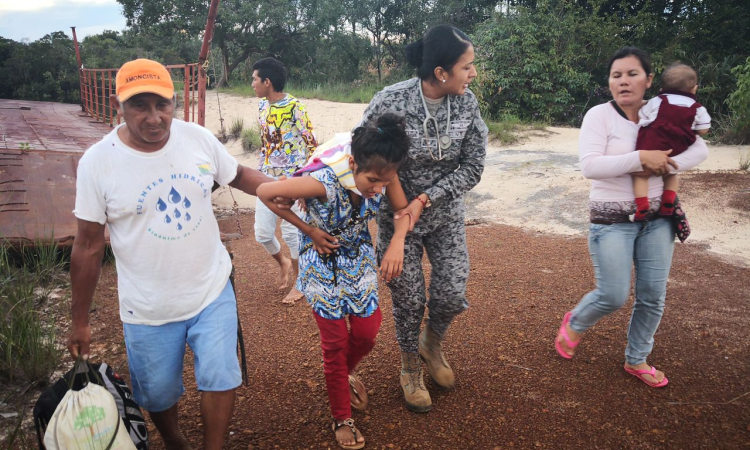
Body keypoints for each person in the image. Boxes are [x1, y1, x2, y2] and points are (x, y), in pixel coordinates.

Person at [68, 58, 276, 450]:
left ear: (174, 102)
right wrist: (80, 320)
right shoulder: (98, 163)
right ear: (119, 105)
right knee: (158, 395)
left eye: (162, 105)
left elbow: (240, 176)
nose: (153, 118)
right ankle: (175, 440)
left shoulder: (196, 138)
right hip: (147, 307)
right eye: (139, 106)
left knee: (221, 376)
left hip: (210, 290)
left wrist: (286, 189)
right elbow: (88, 245)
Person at [554, 47, 709, 388]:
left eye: (632, 74)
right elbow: (590, 166)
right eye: (616, 75)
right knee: (612, 295)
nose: (624, 81)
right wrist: (642, 157)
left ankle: (637, 358)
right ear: (609, 82)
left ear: (649, 80)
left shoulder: (664, 112)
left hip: (658, 219)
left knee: (653, 295)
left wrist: (665, 163)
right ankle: (576, 321)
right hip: (611, 222)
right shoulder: (599, 116)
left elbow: (700, 148)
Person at [256, 114, 412, 449]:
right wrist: (308, 230)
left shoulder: (384, 172)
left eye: (384, 183)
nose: (378, 189)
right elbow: (264, 191)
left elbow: (403, 212)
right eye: (372, 180)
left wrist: (397, 241)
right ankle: (342, 415)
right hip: (320, 264)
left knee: (368, 334)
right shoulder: (322, 182)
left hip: (358, 259)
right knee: (336, 343)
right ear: (353, 162)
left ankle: (340, 376)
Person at [357, 24, 488, 413]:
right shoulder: (390, 100)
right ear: (441, 72)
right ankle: (410, 366)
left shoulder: (468, 105)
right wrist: (401, 210)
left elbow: (474, 166)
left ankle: (432, 343)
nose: (474, 74)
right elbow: (365, 152)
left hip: (444, 214)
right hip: (398, 219)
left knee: (451, 292)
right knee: (409, 298)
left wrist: (427, 199)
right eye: (468, 66)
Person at [251, 57, 318, 304]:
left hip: (293, 180)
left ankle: (301, 283)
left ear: (267, 82)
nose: (252, 84)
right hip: (266, 179)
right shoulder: (261, 107)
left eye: (255, 79)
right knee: (262, 233)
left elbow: (312, 144)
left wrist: (304, 183)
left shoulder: (295, 107)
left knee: (291, 233)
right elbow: (265, 144)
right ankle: (284, 262)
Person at [632, 63, 711, 220]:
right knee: (671, 173)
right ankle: (668, 201)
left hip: (652, 146)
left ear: (662, 88)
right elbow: (703, 129)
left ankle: (641, 206)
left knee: (641, 176)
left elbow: (642, 116)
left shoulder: (657, 101)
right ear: (694, 88)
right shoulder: (697, 108)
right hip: (677, 148)